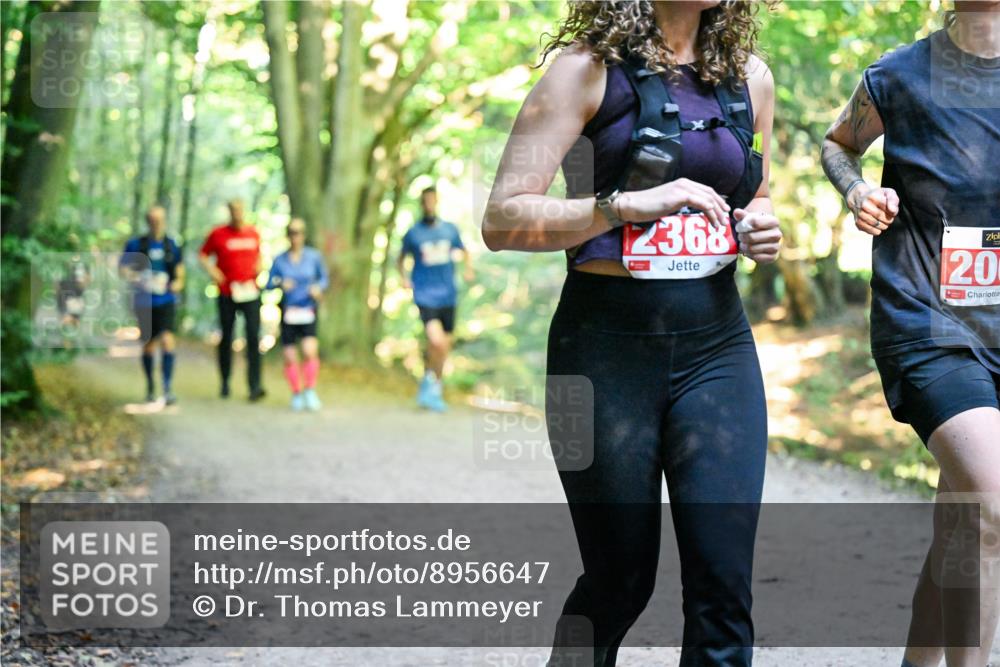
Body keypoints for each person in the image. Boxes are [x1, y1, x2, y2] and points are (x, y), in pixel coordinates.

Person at [482, 2, 781, 665]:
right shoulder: (583, 73)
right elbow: (501, 219)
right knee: (619, 579)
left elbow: (757, 195)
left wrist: (762, 227)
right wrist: (619, 206)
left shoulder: (749, 77)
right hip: (600, 349)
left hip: (717, 345)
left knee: (723, 586)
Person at [821, 4, 999, 666]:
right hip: (927, 320)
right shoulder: (898, 76)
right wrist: (856, 189)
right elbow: (837, 144)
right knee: (993, 503)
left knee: (967, 519)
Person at [397, 185, 474, 412]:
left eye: (432, 200)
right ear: (421, 204)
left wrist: (468, 269)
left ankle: (432, 386)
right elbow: (400, 259)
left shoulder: (450, 230)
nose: (429, 204)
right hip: (425, 294)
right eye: (425, 201)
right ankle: (430, 385)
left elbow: (465, 251)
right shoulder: (413, 234)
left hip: (448, 294)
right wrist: (403, 279)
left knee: (444, 347)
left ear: (437, 202)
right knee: (436, 341)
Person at [199, 199, 266, 401]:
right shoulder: (218, 234)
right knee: (227, 336)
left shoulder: (253, 233)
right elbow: (203, 255)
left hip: (250, 291)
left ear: (243, 211)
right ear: (229, 211)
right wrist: (214, 271)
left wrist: (260, 267)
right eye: (233, 210)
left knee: (253, 336)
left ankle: (255, 385)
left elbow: (259, 255)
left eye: (240, 209)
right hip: (227, 292)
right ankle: (225, 381)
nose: (237, 213)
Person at [120, 205, 185, 404]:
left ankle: (167, 387)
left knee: (167, 340)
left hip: (166, 300)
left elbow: (180, 274)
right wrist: (139, 278)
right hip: (144, 301)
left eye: (160, 219)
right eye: (153, 220)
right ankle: (150, 386)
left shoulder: (172, 245)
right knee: (148, 345)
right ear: (148, 221)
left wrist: (177, 284)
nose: (156, 223)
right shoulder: (136, 245)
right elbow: (123, 270)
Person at [266, 217, 329, 412]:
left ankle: (310, 390)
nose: (296, 237)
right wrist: (280, 283)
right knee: (290, 356)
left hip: (308, 309)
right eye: (292, 232)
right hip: (289, 312)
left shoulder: (314, 257)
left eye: (299, 232)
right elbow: (269, 283)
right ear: (288, 235)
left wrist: (318, 289)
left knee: (310, 351)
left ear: (304, 235)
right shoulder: (280, 260)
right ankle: (296, 393)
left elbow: (324, 278)